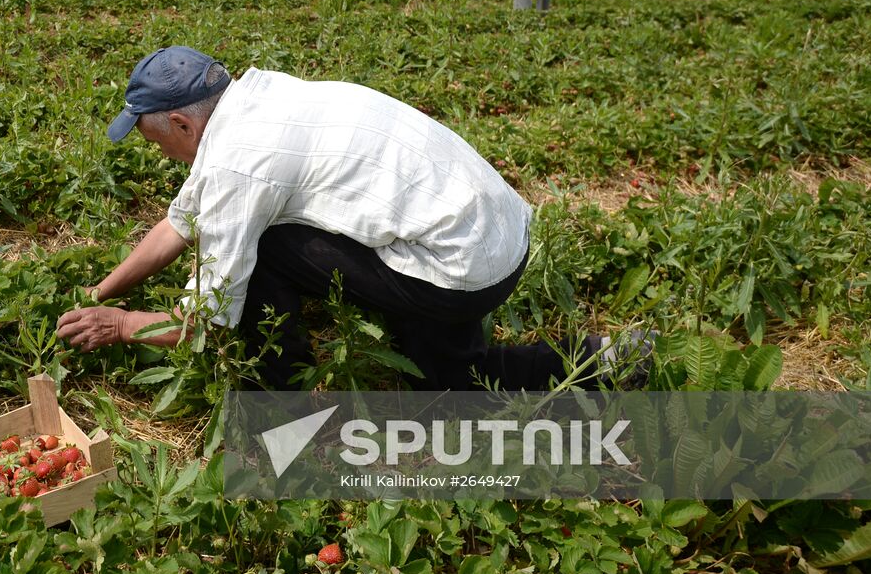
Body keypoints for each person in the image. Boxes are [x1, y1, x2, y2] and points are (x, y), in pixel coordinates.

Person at [55, 46, 650, 391]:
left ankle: (281, 394)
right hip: (492, 236)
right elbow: (177, 225)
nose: (163, 155)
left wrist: (122, 323)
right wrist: (100, 288)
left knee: (265, 245)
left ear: (183, 125)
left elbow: (204, 321)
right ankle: (602, 356)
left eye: (158, 142)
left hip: (457, 265)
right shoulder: (257, 99)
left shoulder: (242, 166)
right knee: (446, 379)